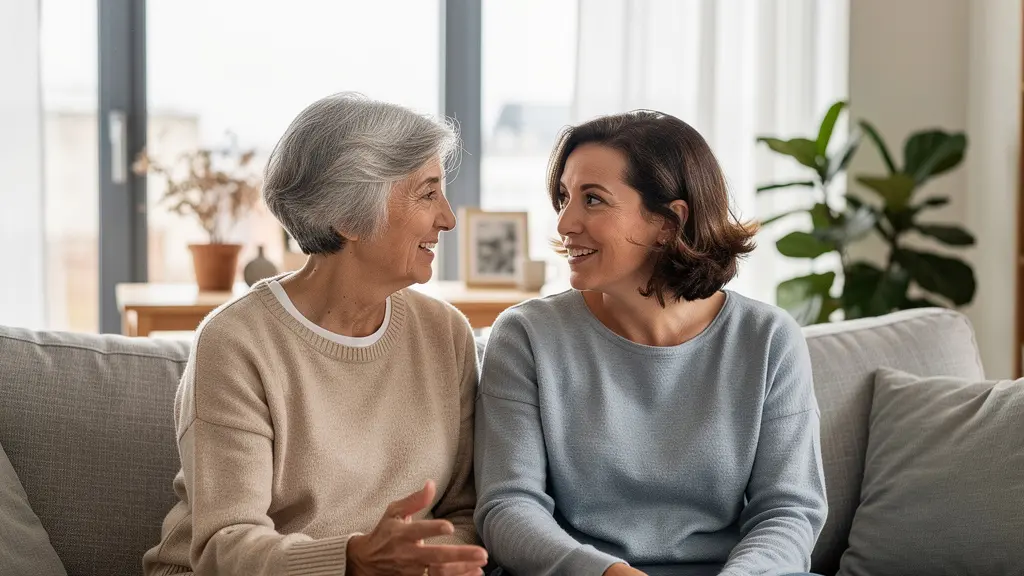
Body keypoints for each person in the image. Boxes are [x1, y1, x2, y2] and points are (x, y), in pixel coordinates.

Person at [143, 93, 489, 576]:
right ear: (347, 217)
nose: (448, 218)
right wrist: (351, 560)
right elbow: (225, 545)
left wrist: (427, 564)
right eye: (428, 194)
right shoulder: (237, 342)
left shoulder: (445, 333)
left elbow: (463, 513)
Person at [473, 110, 828, 576]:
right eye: (563, 198)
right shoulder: (526, 336)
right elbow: (507, 507)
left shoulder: (768, 340)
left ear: (668, 222)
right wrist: (605, 574)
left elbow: (788, 511)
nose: (564, 223)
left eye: (592, 200)